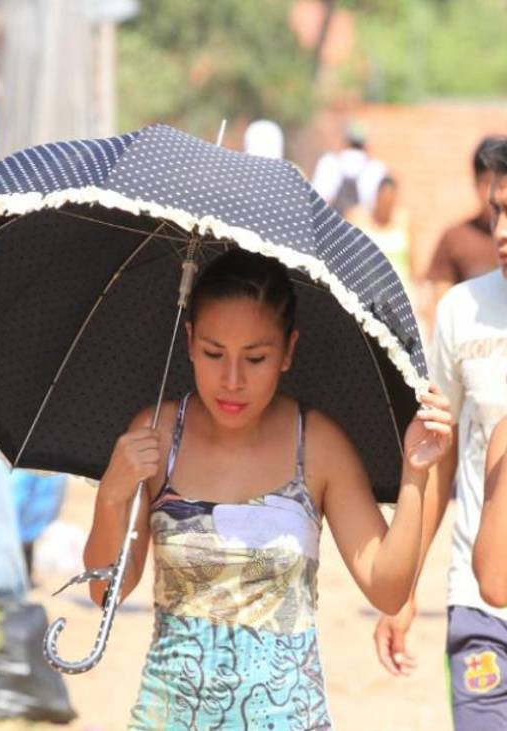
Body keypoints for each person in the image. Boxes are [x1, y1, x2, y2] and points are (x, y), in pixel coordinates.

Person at [81, 249, 451, 729]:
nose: (232, 380)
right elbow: (105, 592)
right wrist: (112, 494)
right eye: (214, 354)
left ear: (288, 351)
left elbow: (387, 589)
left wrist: (416, 476)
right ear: (189, 341)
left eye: (255, 357)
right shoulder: (155, 436)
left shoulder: (317, 443)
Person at [376, 138, 507, 729]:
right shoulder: (462, 312)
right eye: (498, 210)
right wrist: (406, 585)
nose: (500, 231)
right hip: (481, 607)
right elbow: (441, 457)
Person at [425, 136, 507, 321]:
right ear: (476, 185)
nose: (496, 192)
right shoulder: (454, 239)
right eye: (489, 183)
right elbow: (440, 306)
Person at [346, 176, 415, 294]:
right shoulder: (358, 219)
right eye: (383, 199)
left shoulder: (404, 221)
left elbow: (412, 263)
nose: (386, 205)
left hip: (399, 292)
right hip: (366, 291)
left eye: (390, 200)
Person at [311, 122, 388, 215]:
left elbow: (316, 201)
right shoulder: (376, 168)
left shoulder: (329, 163)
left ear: (345, 142)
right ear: (365, 145)